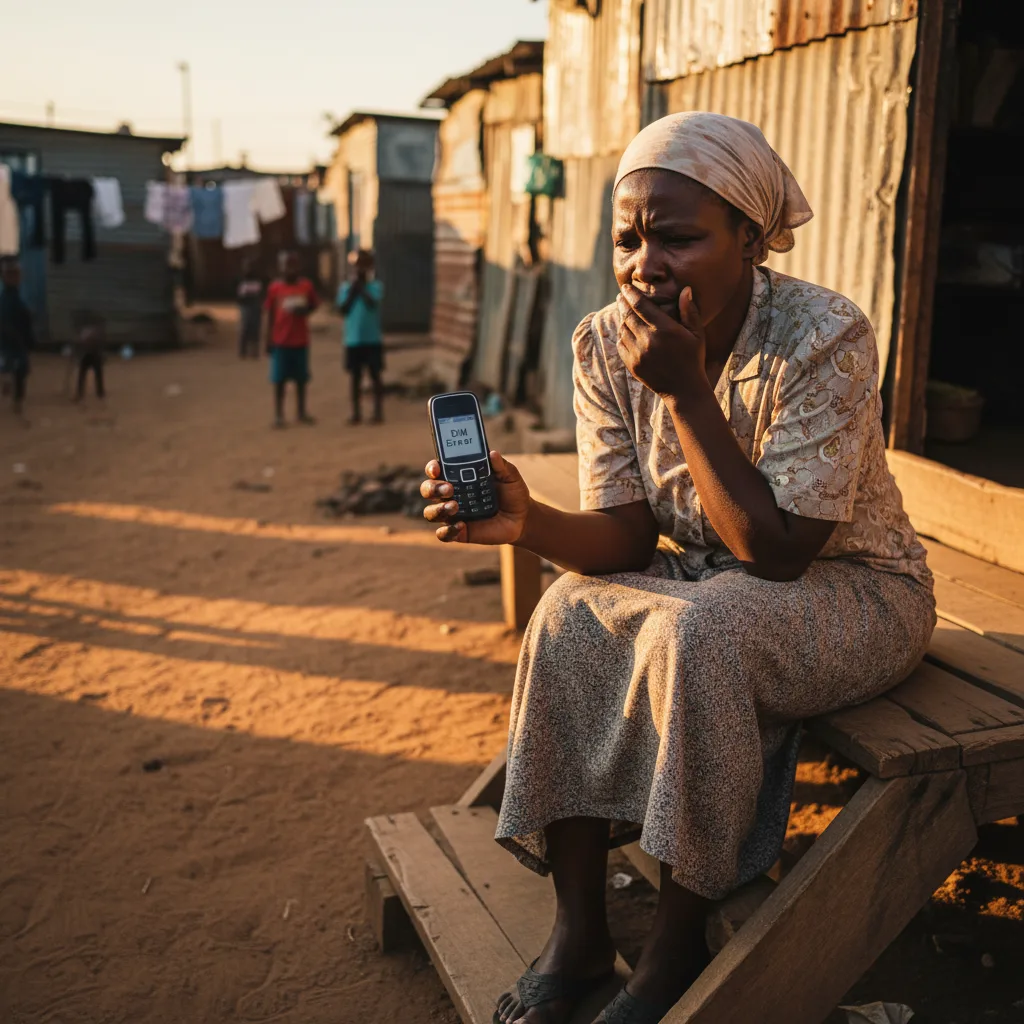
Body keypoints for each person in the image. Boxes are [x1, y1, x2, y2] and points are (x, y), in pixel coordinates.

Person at [419, 112, 936, 1024]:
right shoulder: (602, 342)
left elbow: (778, 553)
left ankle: (673, 947)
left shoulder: (824, 334)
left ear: (750, 238)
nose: (645, 265)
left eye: (678, 238)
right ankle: (579, 935)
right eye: (628, 240)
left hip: (855, 591)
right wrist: (528, 523)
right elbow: (626, 537)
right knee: (569, 609)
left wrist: (689, 390)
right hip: (709, 580)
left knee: (703, 630)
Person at [264, 250, 319, 428]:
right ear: (280, 268)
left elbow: (313, 304)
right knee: (279, 380)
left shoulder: (306, 286)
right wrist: (268, 339)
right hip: (281, 341)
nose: (290, 270)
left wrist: (305, 310)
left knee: (301, 379)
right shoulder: (275, 288)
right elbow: (270, 315)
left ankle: (301, 412)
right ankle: (279, 415)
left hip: (300, 340)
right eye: (287, 266)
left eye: (293, 265)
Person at [336, 249, 384, 424]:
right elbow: (343, 309)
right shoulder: (345, 288)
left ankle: (378, 412)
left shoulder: (376, 286)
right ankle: (356, 413)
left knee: (375, 376)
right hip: (353, 339)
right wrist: (353, 290)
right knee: (355, 378)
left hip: (372, 339)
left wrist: (361, 288)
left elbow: (372, 303)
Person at [0, 257, 34, 417]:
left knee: (18, 370)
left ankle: (17, 400)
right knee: (16, 369)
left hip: (13, 342)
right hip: (10, 342)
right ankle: (15, 400)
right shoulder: (9, 299)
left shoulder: (14, 298)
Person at [236, 257, 264, 359]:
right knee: (245, 328)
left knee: (255, 328)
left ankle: (254, 351)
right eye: (247, 266)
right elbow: (238, 295)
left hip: (255, 306)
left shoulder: (259, 279)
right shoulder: (240, 279)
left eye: (251, 266)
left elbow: (261, 293)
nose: (249, 268)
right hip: (245, 306)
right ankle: (243, 351)